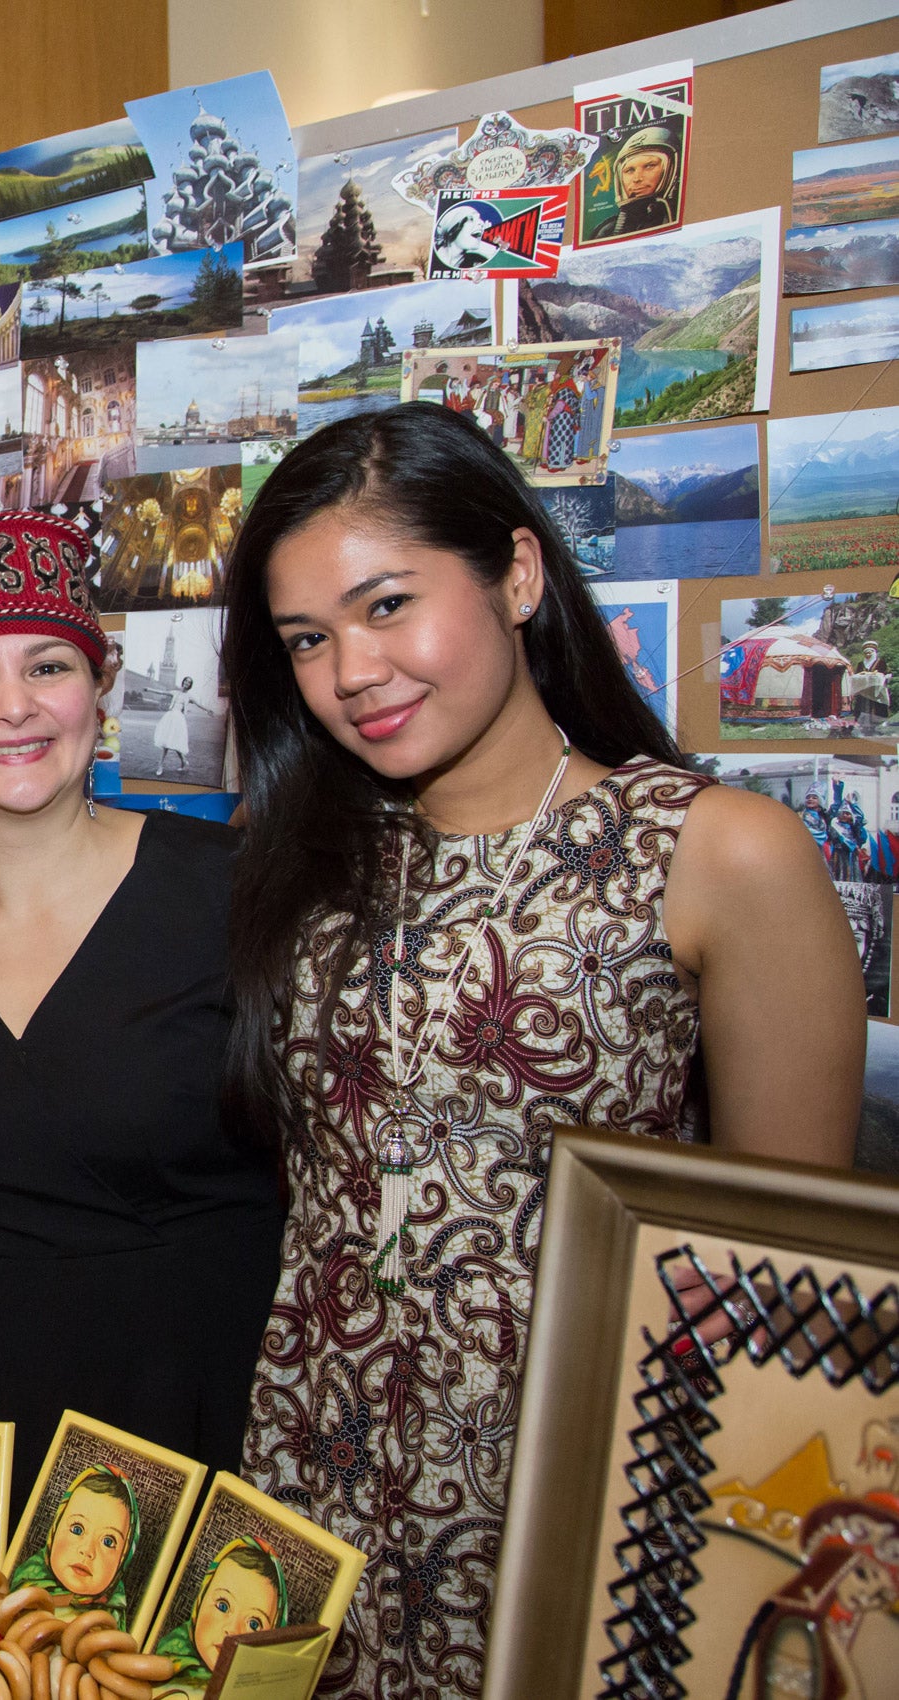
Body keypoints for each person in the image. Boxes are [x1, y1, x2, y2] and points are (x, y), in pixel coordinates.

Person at [219, 403, 861, 1697]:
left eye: (387, 604)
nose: (349, 670)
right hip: (307, 1483)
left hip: (574, 1502)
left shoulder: (711, 852)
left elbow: (793, 1294)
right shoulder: (302, 865)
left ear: (516, 574)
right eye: (306, 638)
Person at [0, 513, 283, 1495]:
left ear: (99, 693)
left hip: (229, 1451)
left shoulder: (243, 895)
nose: (13, 705)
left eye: (48, 665)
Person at [149, 1538, 286, 1697]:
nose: (233, 1630)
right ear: (200, 1601)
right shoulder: (165, 1656)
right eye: (223, 1606)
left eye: (254, 1624)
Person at [8, 1466, 138, 1615]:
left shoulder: (109, 1620)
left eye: (108, 1541)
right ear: (55, 1529)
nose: (87, 1550)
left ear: (123, 1558)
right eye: (77, 1529)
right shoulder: (26, 1583)